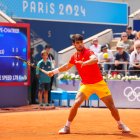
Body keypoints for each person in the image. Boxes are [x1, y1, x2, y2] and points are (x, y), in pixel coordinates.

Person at [46, 34, 131, 134]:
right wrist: (53, 71)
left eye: (81, 42)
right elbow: (66, 66)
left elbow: (95, 59)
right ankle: (67, 127)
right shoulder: (74, 56)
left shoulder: (88, 52)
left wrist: (86, 63)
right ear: (73, 44)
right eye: (77, 43)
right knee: (76, 103)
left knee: (111, 106)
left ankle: (120, 124)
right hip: (86, 84)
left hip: (99, 83)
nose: (80, 44)